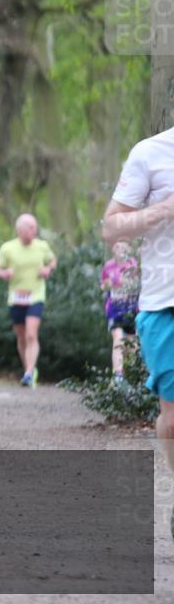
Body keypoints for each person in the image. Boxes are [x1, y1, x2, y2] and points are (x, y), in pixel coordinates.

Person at [102, 126, 174, 481]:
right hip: (165, 303)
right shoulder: (150, 153)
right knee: (173, 421)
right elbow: (112, 227)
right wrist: (162, 210)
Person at [0, 214, 56, 388]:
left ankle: (28, 372)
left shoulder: (42, 246)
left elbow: (52, 262)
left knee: (31, 334)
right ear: (20, 230)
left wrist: (47, 269)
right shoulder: (8, 248)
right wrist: (4, 274)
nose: (34, 231)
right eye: (30, 228)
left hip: (36, 296)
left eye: (35, 227)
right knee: (21, 336)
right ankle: (29, 368)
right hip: (16, 297)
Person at [100, 241, 139, 383]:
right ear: (112, 249)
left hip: (131, 309)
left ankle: (131, 374)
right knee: (118, 338)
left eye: (124, 246)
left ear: (129, 248)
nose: (120, 249)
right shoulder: (108, 266)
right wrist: (107, 284)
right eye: (117, 246)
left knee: (132, 344)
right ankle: (118, 374)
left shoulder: (133, 264)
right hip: (114, 309)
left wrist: (127, 282)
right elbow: (103, 285)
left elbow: (138, 284)